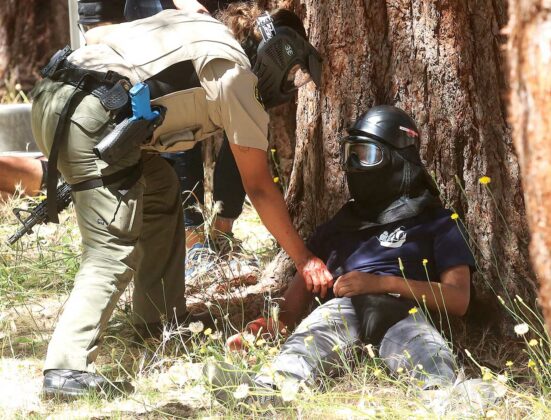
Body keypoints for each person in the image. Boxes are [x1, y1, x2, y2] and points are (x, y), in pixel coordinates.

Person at [31, 0, 332, 399]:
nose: (286, 84)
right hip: (89, 115)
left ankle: (157, 317)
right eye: (289, 70)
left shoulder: (203, 27)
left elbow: (102, 39)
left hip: (57, 95)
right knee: (110, 249)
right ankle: (65, 369)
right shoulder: (236, 74)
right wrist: (304, 259)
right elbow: (258, 186)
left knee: (160, 189)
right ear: (274, 56)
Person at [208, 106, 481, 408]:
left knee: (427, 352)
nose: (354, 165)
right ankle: (266, 392)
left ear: (397, 159)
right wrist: (264, 331)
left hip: (408, 312)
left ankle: (449, 401)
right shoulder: (338, 227)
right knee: (306, 342)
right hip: (341, 311)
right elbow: (290, 311)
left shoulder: (438, 222)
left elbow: (458, 299)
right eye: (350, 154)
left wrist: (380, 284)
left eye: (366, 155)